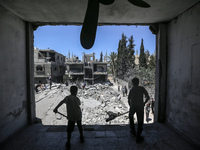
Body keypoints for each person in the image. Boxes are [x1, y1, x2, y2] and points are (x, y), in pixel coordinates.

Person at [128, 78, 150, 143]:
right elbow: (148, 97)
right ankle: (138, 136)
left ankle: (133, 132)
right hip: (140, 107)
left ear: (133, 83)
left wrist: (130, 106)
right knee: (140, 122)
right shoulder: (142, 89)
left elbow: (128, 99)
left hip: (133, 107)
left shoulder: (132, 90)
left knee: (131, 118)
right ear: (138, 82)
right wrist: (143, 103)